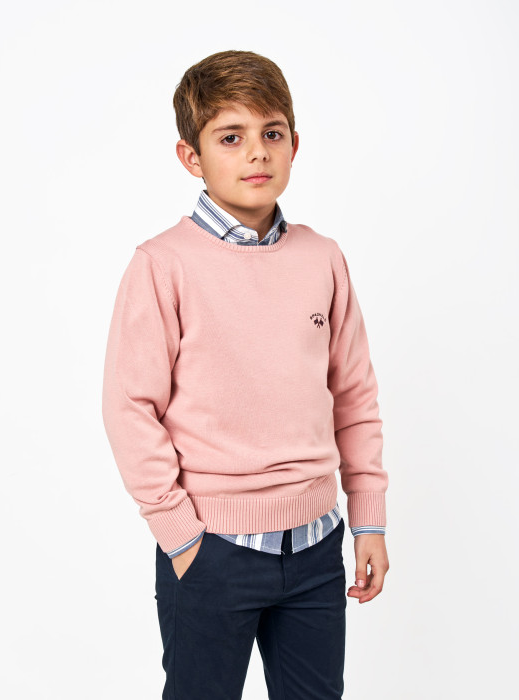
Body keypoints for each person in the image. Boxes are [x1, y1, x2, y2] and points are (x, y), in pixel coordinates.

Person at [101, 49, 389, 700]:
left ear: (294, 145)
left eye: (272, 133)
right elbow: (129, 407)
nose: (257, 152)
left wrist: (368, 520)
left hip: (317, 548)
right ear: (191, 157)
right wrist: (181, 537)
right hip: (212, 550)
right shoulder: (162, 265)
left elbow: (354, 395)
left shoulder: (323, 257)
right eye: (231, 137)